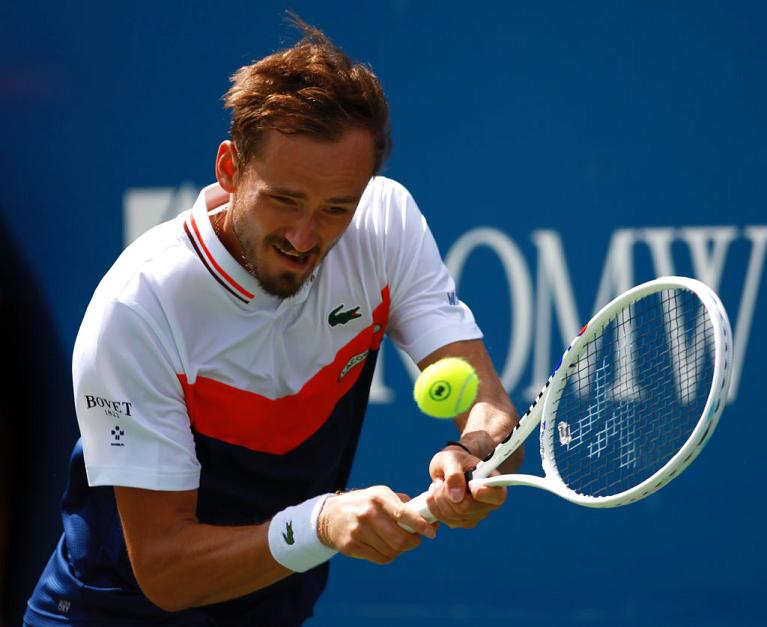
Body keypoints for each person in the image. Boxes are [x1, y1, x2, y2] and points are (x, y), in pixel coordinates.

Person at [24, 17, 522, 627]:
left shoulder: (384, 224)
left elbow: (488, 404)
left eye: (336, 207)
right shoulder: (140, 306)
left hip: (272, 608)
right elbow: (166, 571)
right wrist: (319, 523)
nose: (304, 236)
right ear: (230, 169)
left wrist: (473, 455)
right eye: (284, 199)